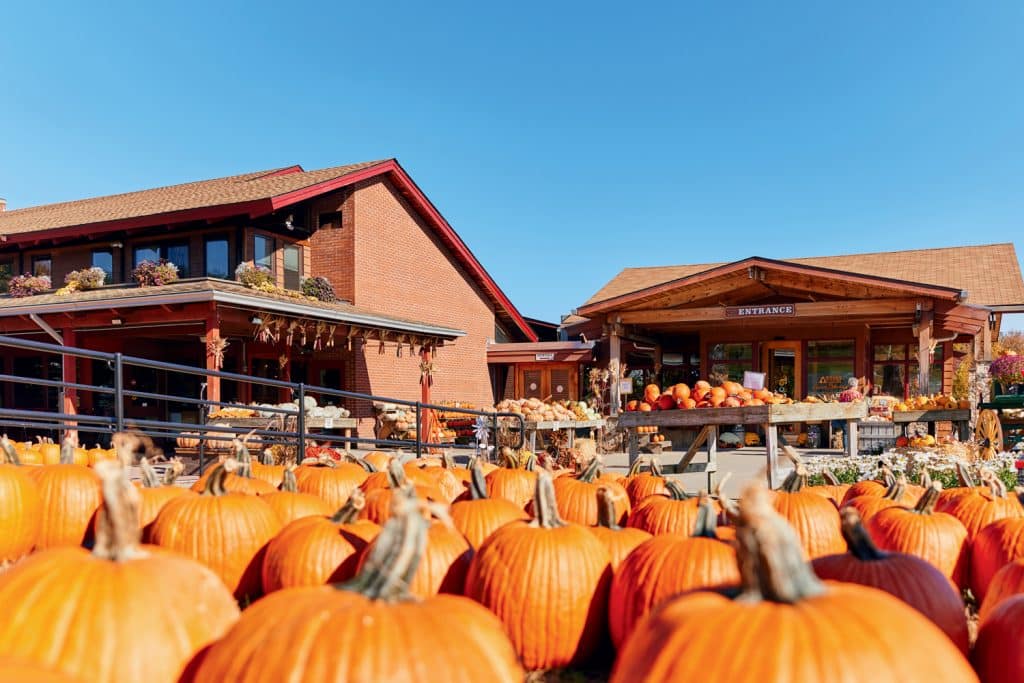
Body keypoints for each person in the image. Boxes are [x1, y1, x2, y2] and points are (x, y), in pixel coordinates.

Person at [831, 377, 864, 451]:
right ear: (855, 385)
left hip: (844, 415)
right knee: (853, 432)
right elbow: (860, 405)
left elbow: (840, 405)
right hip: (855, 415)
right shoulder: (858, 394)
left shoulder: (843, 393)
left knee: (845, 433)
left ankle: (846, 450)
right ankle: (853, 449)